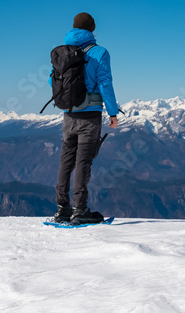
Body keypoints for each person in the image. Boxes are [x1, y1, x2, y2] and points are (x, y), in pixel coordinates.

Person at [51, 12, 119, 224]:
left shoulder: (63, 52)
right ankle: (80, 210)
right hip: (90, 115)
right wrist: (113, 112)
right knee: (83, 162)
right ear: (92, 29)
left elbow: (52, 81)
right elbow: (105, 82)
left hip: (68, 114)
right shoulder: (99, 52)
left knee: (66, 160)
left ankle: (62, 208)